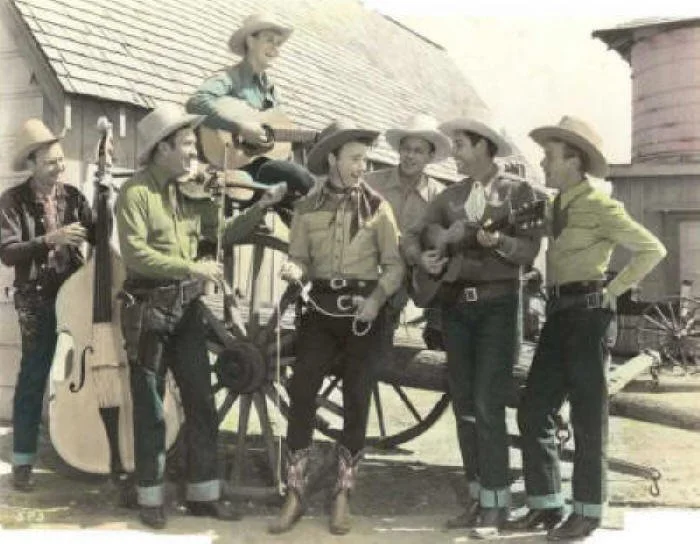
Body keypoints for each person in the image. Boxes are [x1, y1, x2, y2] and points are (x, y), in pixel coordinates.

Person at [115, 104, 286, 529]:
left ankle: (203, 495)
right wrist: (192, 267)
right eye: (187, 144)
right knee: (152, 409)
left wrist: (261, 207)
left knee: (202, 402)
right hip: (148, 310)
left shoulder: (191, 192)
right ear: (162, 149)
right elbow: (136, 255)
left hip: (186, 309)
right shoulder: (135, 194)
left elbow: (223, 235)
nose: (195, 152)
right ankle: (150, 496)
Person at [510, 116, 666, 541]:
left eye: (549, 156)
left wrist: (612, 291)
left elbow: (652, 249)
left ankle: (588, 512)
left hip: (588, 317)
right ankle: (546, 504)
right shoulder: (556, 206)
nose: (543, 163)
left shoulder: (600, 205)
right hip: (558, 315)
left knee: (587, 418)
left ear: (573, 161)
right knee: (534, 409)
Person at [405, 112, 542, 538]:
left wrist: (498, 241)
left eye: (461, 146)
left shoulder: (520, 194)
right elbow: (412, 236)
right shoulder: (450, 196)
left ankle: (497, 506)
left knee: (487, 404)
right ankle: (477, 497)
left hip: (499, 308)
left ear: (484, 146)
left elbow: (528, 251)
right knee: (464, 404)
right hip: (455, 310)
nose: (455, 156)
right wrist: (426, 256)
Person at [269, 119, 404, 535]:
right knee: (301, 393)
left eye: (365, 160)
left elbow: (395, 266)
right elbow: (300, 258)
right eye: (355, 159)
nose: (362, 167)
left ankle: (342, 494)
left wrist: (376, 301)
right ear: (332, 158)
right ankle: (295, 493)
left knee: (357, 400)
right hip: (320, 314)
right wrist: (294, 268)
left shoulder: (378, 208)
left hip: (363, 319)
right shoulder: (307, 208)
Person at [0, 119, 94, 492]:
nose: (60, 167)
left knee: (88, 368)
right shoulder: (12, 200)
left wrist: (104, 193)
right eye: (51, 161)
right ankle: (23, 461)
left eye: (61, 159)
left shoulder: (74, 197)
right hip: (36, 296)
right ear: (32, 162)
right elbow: (8, 252)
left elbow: (98, 234)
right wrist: (50, 239)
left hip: (75, 292)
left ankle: (86, 448)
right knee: (34, 375)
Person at [185, 11, 315, 225]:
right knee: (300, 177)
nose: (275, 49)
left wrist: (291, 144)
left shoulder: (272, 91)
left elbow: (277, 138)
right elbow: (195, 104)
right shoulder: (230, 78)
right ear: (250, 41)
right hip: (232, 166)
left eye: (278, 44)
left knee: (302, 204)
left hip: (264, 167)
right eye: (269, 40)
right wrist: (239, 127)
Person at [365, 113, 451, 349]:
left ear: (430, 156)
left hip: (419, 275)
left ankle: (436, 329)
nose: (410, 156)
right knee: (378, 331)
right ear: (399, 150)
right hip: (374, 269)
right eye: (406, 149)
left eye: (418, 151)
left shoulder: (439, 196)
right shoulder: (371, 184)